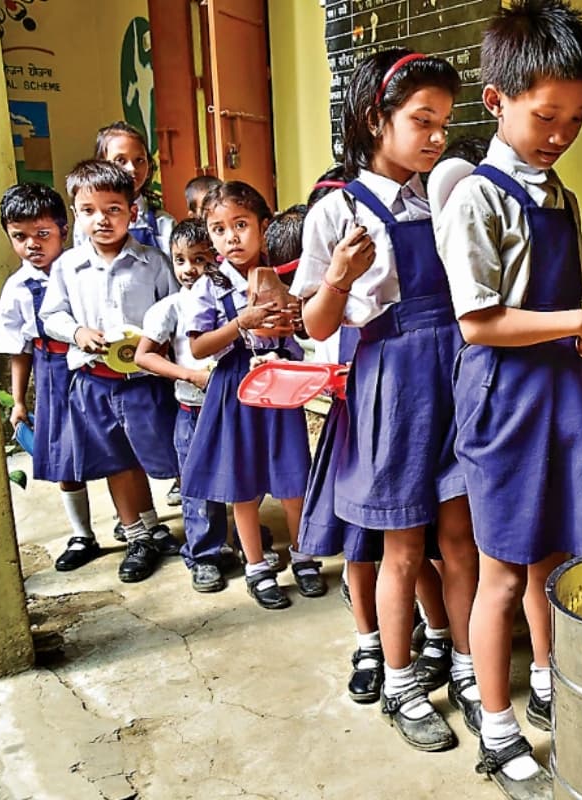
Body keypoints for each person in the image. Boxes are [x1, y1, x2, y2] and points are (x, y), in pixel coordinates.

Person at [434, 1, 582, 792]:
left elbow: (557, 312)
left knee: (554, 562)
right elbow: (482, 322)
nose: (561, 133)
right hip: (504, 400)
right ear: (496, 102)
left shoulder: (563, 198)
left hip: (561, 389)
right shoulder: (477, 199)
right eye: (547, 115)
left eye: (578, 117)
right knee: (501, 571)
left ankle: (552, 686)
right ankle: (495, 728)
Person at [294, 49, 479, 753]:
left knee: (460, 541)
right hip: (393, 383)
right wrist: (339, 277)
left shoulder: (450, 195)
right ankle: (401, 683)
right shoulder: (335, 210)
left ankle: (465, 664)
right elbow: (316, 325)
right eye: (421, 121)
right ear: (377, 118)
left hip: (459, 372)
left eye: (444, 122)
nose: (436, 136)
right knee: (401, 547)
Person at [180, 181, 322, 610]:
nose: (231, 238)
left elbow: (306, 328)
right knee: (241, 483)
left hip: (279, 382)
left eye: (241, 225)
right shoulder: (209, 286)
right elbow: (199, 347)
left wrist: (291, 322)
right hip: (234, 388)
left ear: (264, 225)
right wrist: (243, 321)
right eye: (219, 229)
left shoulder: (286, 276)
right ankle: (257, 566)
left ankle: (304, 555)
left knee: (293, 476)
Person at [40, 160, 181, 583]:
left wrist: (158, 341)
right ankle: (139, 535)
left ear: (132, 212)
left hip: (145, 382)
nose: (102, 219)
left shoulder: (153, 262)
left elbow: (174, 309)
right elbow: (52, 315)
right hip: (95, 382)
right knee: (117, 459)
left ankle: (158, 524)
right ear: (75, 213)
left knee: (158, 453)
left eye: (113, 209)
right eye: (89, 210)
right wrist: (77, 331)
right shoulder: (66, 267)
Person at [0, 182, 101, 571]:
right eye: (20, 237)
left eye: (43, 234)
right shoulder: (17, 290)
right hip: (52, 371)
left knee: (113, 445)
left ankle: (138, 524)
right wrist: (20, 401)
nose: (32, 245)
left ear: (62, 230)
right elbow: (18, 351)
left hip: (96, 366)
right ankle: (82, 534)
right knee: (64, 456)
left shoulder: (83, 271)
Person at [133, 219, 232, 592]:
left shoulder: (229, 300)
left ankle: (235, 542)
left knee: (236, 476)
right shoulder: (170, 308)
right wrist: (189, 376)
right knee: (196, 485)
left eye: (201, 259)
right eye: (180, 260)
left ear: (217, 259)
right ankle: (203, 554)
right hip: (192, 410)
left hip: (231, 407)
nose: (190, 269)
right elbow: (144, 357)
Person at [76, 122, 175, 256]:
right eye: (121, 160)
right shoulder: (86, 223)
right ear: (102, 164)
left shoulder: (164, 224)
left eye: (139, 160)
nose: (132, 168)